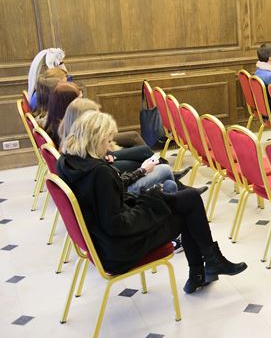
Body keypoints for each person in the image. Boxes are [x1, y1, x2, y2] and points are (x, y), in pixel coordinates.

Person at [56, 110, 247, 293]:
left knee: (189, 198)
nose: (109, 147)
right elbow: (118, 224)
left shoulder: (67, 163)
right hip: (120, 250)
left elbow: (109, 201)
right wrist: (151, 200)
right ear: (95, 140)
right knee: (188, 209)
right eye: (107, 141)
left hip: (103, 242)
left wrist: (148, 198)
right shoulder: (99, 173)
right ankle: (204, 268)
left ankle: (206, 267)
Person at [58, 98, 191, 195]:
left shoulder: (69, 157)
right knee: (156, 166)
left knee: (145, 156)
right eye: (107, 141)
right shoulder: (99, 170)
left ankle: (172, 183)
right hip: (122, 195)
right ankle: (173, 182)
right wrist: (142, 171)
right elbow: (118, 186)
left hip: (113, 182)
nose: (109, 144)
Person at [44, 82, 82, 147]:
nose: (83, 103)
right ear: (69, 104)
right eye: (79, 100)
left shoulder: (54, 122)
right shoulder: (64, 131)